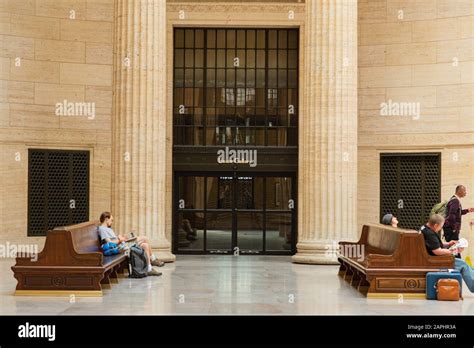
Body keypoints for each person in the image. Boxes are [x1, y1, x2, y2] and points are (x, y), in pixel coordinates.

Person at [98, 212, 164, 276]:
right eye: (111, 220)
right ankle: (153, 259)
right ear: (106, 219)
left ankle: (149, 269)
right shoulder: (102, 229)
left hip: (122, 244)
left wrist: (122, 237)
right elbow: (109, 242)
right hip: (121, 247)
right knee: (145, 238)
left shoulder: (107, 229)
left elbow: (114, 239)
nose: (112, 222)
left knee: (145, 245)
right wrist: (120, 239)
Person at [421, 214, 474, 292]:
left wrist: (448, 244)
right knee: (463, 264)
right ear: (436, 225)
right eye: (440, 226)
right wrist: (454, 251)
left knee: (468, 267)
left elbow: (433, 244)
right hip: (435, 261)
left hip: (432, 257)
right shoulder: (430, 234)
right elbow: (437, 251)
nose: (440, 228)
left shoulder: (425, 228)